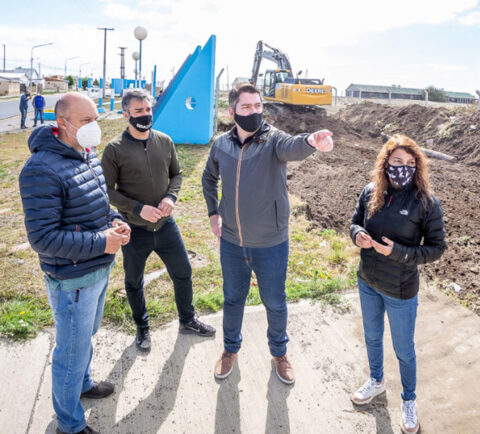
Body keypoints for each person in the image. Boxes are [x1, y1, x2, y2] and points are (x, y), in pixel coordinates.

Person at [202, 82, 334, 384]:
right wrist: (213, 213)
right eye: (247, 107)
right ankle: (229, 350)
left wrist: (312, 140)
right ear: (231, 110)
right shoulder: (221, 144)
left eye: (258, 106)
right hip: (233, 241)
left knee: (274, 301)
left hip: (271, 242)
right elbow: (208, 179)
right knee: (233, 299)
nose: (254, 112)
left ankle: (279, 354)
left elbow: (294, 147)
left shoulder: (273, 140)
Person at [19, 92, 131, 434]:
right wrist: (102, 241)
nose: (94, 128)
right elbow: (43, 239)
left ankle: (82, 384)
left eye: (96, 119)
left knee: (85, 337)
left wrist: (113, 220)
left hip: (97, 268)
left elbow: (95, 205)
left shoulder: (85, 152)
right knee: (70, 352)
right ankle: (69, 425)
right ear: (62, 123)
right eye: (86, 122)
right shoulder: (40, 169)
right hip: (72, 279)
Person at [101, 89, 215, 352]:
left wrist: (172, 197)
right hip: (135, 230)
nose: (145, 115)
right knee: (133, 282)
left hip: (165, 227)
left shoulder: (165, 141)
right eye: (138, 111)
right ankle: (142, 329)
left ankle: (187, 320)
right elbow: (106, 190)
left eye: (148, 109)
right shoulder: (115, 149)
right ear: (126, 114)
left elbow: (177, 174)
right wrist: (137, 208)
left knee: (183, 273)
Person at [349, 134, 447, 434]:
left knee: (404, 350)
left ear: (417, 165)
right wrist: (357, 235)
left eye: (409, 162)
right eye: (396, 162)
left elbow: (436, 248)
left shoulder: (426, 203)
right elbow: (353, 222)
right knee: (372, 337)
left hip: (401, 290)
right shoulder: (370, 192)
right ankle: (376, 381)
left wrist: (397, 252)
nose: (403, 168)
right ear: (385, 164)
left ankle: (408, 400)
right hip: (368, 280)